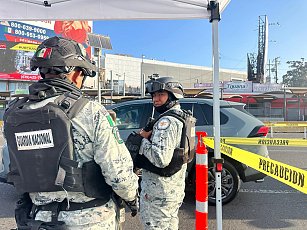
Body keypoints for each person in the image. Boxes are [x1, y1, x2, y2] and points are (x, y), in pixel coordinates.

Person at [3, 36, 139, 229]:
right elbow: (119, 174)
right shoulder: (91, 111)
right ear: (75, 73)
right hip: (90, 220)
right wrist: (132, 197)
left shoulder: (15, 112)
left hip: (37, 219)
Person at [127, 76, 193, 229]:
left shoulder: (167, 122)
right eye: (154, 95)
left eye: (160, 94)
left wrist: (141, 140)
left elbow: (160, 159)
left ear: (172, 95)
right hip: (171, 189)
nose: (155, 99)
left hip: (159, 193)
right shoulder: (179, 116)